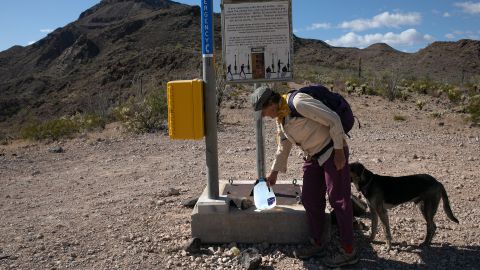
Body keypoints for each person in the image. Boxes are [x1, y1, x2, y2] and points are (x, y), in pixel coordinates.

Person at [250, 86, 358, 267]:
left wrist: (339, 151)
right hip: (313, 155)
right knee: (309, 198)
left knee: (338, 199)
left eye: (264, 111)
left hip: (332, 150)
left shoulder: (298, 102)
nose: (264, 116)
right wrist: (274, 173)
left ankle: (348, 250)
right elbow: (283, 145)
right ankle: (318, 242)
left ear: (271, 103)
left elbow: (334, 119)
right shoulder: (281, 117)